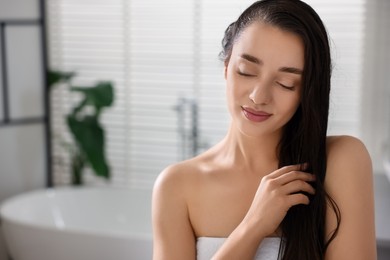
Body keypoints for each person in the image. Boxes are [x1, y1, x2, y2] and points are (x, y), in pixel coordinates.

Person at [152, 0, 377, 259]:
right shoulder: (176, 186)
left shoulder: (341, 160)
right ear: (227, 67)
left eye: (285, 83)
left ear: (307, 92)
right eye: (246, 71)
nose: (259, 97)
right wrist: (253, 226)